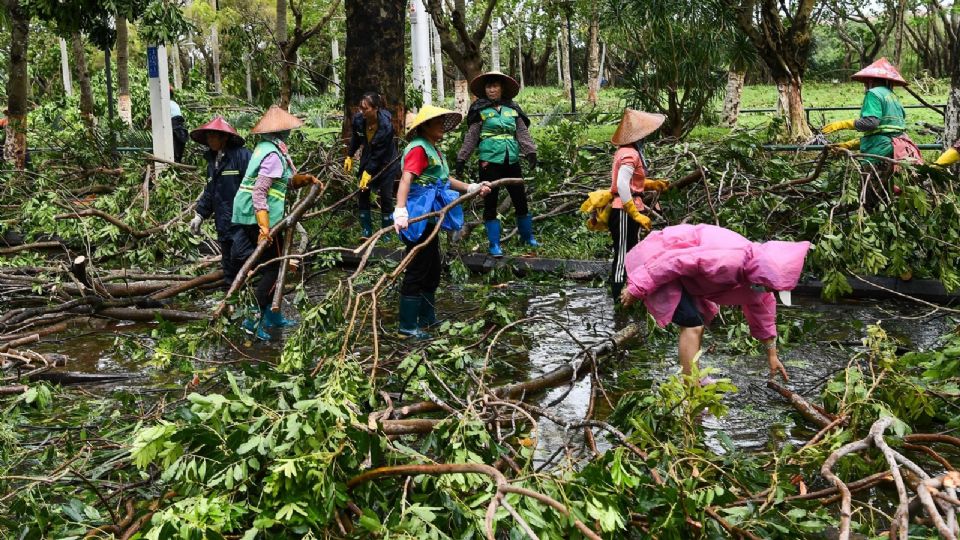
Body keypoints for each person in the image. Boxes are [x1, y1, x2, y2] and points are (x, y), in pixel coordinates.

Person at [620, 224, 810, 383]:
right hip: (660, 260)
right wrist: (637, 287)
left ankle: (694, 377)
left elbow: (763, 313)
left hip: (686, 278)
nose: (771, 292)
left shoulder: (758, 281)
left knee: (698, 322)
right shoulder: (729, 261)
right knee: (692, 324)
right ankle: (691, 388)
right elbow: (674, 261)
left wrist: (772, 355)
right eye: (773, 289)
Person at [393, 105, 491, 338]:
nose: (442, 128)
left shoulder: (432, 149)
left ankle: (427, 319)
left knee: (433, 268)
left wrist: (470, 187)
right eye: (438, 123)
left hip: (433, 212)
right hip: (419, 212)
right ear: (425, 126)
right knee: (418, 267)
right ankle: (407, 326)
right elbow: (406, 179)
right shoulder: (418, 149)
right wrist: (400, 210)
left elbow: (444, 179)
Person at [230, 106, 322, 341]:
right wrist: (264, 228)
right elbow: (259, 192)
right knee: (274, 269)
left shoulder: (267, 149)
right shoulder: (272, 155)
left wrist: (305, 180)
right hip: (259, 217)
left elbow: (282, 183)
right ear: (281, 132)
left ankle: (271, 316)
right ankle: (254, 320)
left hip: (251, 215)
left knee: (272, 266)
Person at [455, 71, 538, 257]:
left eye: (495, 86)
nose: (492, 90)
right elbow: (471, 137)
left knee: (520, 198)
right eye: (488, 86)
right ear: (485, 90)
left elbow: (522, 132)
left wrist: (530, 151)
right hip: (489, 160)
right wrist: (462, 158)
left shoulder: (512, 109)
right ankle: (494, 244)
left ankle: (527, 237)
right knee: (490, 202)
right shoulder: (479, 110)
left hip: (511, 159)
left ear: (502, 89)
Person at [605, 109, 670, 301]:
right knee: (623, 253)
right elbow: (622, 185)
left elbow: (632, 182)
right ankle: (617, 297)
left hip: (631, 207)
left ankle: (631, 293)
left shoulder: (631, 151)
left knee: (633, 252)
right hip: (623, 211)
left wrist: (651, 183)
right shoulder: (629, 154)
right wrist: (634, 212)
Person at [821, 58, 921, 168]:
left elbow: (871, 123)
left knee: (872, 181)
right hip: (901, 148)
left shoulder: (873, 93)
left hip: (881, 152)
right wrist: (848, 145)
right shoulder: (893, 97)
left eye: (864, 82)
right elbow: (883, 133)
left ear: (870, 81)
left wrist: (842, 124)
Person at [188, 116, 252, 285]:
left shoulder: (242, 157)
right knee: (229, 265)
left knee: (240, 256)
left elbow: (256, 187)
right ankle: (231, 303)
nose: (210, 140)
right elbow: (210, 191)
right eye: (208, 136)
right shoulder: (212, 161)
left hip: (242, 222)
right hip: (223, 222)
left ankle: (253, 294)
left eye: (213, 136)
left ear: (224, 137)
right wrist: (200, 216)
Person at [345, 92, 401, 238]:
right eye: (360, 108)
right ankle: (366, 230)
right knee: (363, 192)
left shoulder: (386, 126)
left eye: (365, 109)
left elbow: (379, 153)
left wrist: (368, 171)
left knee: (386, 197)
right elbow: (356, 139)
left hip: (386, 162)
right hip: (369, 158)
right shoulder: (359, 120)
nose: (361, 111)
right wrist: (349, 155)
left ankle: (386, 233)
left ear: (376, 108)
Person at [170, 89, 189, 163]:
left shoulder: (163, 103)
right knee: (178, 152)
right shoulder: (175, 104)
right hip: (180, 128)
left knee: (173, 151)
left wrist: (146, 127)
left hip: (173, 127)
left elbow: (151, 118)